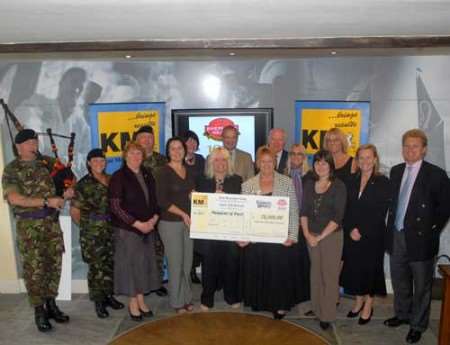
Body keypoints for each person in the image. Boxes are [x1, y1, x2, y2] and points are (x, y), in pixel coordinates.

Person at [384, 129, 450, 344]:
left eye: (415, 146)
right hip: (397, 234)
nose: (410, 150)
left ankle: (418, 325)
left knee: (422, 286)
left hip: (422, 239)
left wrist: (432, 229)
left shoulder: (436, 174)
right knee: (400, 280)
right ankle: (402, 314)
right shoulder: (395, 171)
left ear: (424, 149)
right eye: (406, 146)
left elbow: (445, 207)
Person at [2, 129, 70, 332]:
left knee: (53, 266)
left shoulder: (47, 163)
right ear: (18, 147)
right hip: (29, 228)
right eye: (29, 143)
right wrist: (46, 201)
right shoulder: (12, 169)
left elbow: (64, 183)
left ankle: (51, 304)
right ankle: (39, 311)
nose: (33, 146)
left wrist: (66, 192)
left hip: (51, 224)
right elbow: (14, 198)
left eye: (35, 141)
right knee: (34, 270)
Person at [241, 146, 301, 320]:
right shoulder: (247, 185)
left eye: (270, 161)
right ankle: (259, 302)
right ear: (257, 163)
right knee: (259, 269)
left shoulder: (286, 182)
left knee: (278, 272)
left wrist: (292, 235)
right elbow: (245, 214)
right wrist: (244, 236)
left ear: (275, 162)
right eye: (263, 161)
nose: (266, 164)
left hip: (279, 238)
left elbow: (294, 211)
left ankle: (280, 305)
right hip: (256, 239)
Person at [108, 142, 160, 321]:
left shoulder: (147, 174)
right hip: (128, 230)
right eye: (132, 153)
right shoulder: (118, 176)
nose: (136, 156)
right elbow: (115, 206)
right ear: (125, 156)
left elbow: (155, 200)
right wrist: (137, 224)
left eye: (139, 153)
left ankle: (141, 298)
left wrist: (154, 219)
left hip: (148, 227)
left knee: (143, 265)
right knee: (131, 267)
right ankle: (133, 302)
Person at [70, 149, 124, 319]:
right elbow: (74, 212)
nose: (99, 163)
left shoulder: (111, 179)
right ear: (88, 163)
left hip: (111, 229)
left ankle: (108, 296)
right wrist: (88, 228)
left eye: (102, 160)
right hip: (92, 233)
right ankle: (99, 301)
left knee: (109, 264)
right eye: (95, 161)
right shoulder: (83, 184)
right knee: (96, 268)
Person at [340, 144, 390, 325]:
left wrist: (361, 230)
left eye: (369, 157)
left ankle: (368, 304)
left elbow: (380, 212)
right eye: (361, 158)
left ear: (375, 159)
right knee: (355, 270)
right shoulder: (350, 180)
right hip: (351, 234)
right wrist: (350, 229)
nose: (365, 161)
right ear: (357, 160)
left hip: (372, 236)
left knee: (369, 271)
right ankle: (358, 301)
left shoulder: (383, 182)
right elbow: (345, 208)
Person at [300, 149, 347, 331]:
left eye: (324, 162)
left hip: (331, 238)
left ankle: (326, 315)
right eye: (317, 162)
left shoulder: (339, 186)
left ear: (330, 166)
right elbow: (303, 211)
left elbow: (337, 217)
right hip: (310, 237)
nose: (320, 166)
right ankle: (317, 307)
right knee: (315, 274)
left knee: (329, 276)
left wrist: (319, 237)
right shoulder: (309, 184)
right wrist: (307, 234)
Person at [196, 147, 243, 311]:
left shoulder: (237, 180)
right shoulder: (202, 180)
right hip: (209, 230)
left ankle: (231, 297)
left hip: (230, 230)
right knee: (209, 265)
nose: (220, 163)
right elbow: (198, 205)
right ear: (211, 163)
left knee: (231, 264)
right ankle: (207, 299)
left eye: (224, 160)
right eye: (216, 160)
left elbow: (241, 206)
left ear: (228, 163)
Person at [154, 137, 196, 313]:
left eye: (180, 148)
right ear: (168, 151)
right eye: (173, 148)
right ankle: (177, 302)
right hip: (170, 223)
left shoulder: (188, 170)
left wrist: (194, 196)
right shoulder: (162, 172)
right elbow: (162, 200)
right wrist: (183, 214)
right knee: (175, 263)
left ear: (185, 150)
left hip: (189, 222)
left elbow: (191, 193)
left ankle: (186, 297)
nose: (177, 151)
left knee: (187, 263)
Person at [135, 125, 168, 297]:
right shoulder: (133, 160)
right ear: (137, 140)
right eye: (143, 137)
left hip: (159, 212)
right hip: (140, 214)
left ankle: (157, 282)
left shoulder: (162, 160)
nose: (147, 141)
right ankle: (143, 284)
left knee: (158, 249)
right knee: (142, 250)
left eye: (150, 137)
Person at [285, 144, 311, 305]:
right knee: (288, 263)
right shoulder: (283, 176)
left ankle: (303, 297)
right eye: (293, 154)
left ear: (304, 157)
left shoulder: (311, 177)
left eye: (299, 154)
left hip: (305, 225)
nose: (296, 157)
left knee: (303, 262)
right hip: (287, 226)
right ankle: (289, 295)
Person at [182, 130, 205, 284]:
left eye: (194, 140)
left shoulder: (202, 159)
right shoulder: (177, 160)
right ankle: (188, 271)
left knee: (198, 240)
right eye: (188, 140)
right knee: (186, 240)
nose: (191, 143)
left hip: (200, 205)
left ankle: (194, 268)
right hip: (183, 205)